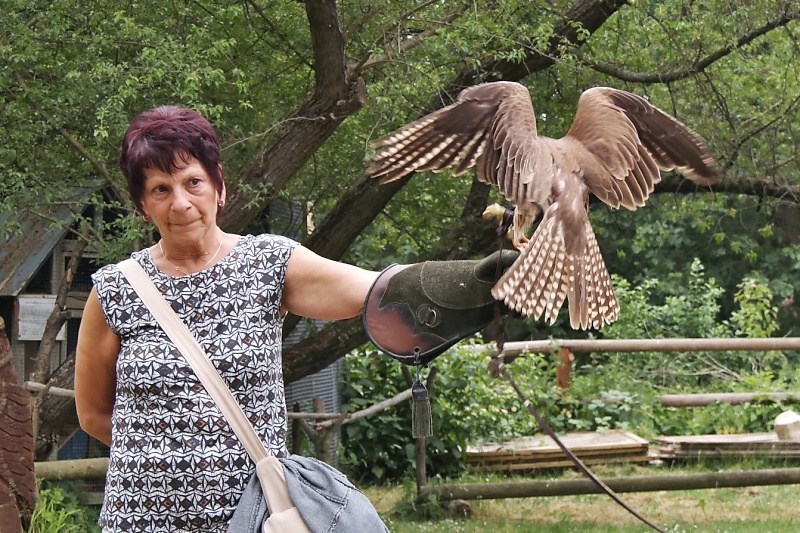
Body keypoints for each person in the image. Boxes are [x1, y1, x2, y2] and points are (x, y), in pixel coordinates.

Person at [75, 105, 516, 532]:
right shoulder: (116, 289)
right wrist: (167, 458)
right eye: (160, 189)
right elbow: (93, 413)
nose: (181, 203)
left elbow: (378, 288)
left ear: (219, 187)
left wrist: (486, 280)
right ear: (142, 204)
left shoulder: (266, 263)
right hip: (141, 517)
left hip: (255, 516)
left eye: (193, 182)